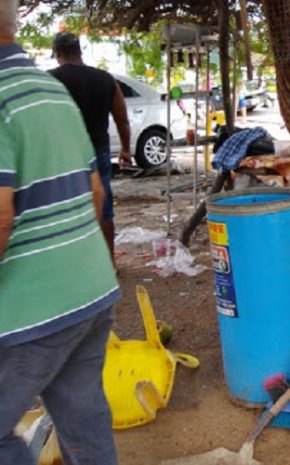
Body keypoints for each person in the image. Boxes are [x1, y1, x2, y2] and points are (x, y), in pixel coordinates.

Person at [0, 2, 122, 464]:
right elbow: (96, 193)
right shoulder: (50, 90)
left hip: (32, 306)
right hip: (90, 291)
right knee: (84, 426)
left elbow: (0, 216)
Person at [50, 32, 131, 260]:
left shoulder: (49, 80)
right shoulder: (105, 79)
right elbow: (122, 119)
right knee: (104, 209)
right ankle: (109, 262)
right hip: (98, 152)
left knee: (66, 209)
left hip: (64, 155)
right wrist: (126, 149)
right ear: (79, 51)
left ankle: (75, 262)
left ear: (57, 53)